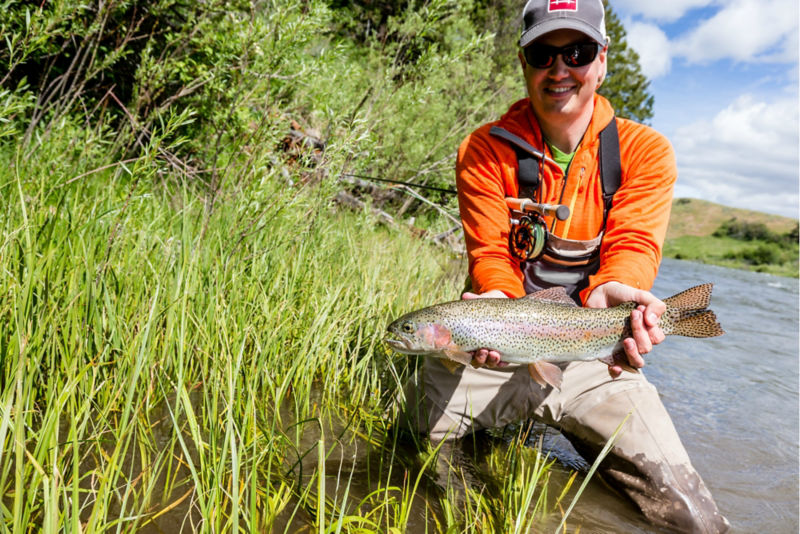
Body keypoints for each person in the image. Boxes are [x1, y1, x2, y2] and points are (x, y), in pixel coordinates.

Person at [399, 1, 730, 532]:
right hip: (498, 347)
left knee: (690, 515)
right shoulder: (483, 151)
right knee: (413, 450)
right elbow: (491, 255)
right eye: (542, 54)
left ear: (602, 60)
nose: (559, 69)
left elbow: (633, 245)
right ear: (524, 62)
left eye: (577, 52)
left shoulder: (645, 152)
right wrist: (496, 300)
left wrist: (619, 287)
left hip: (592, 356)